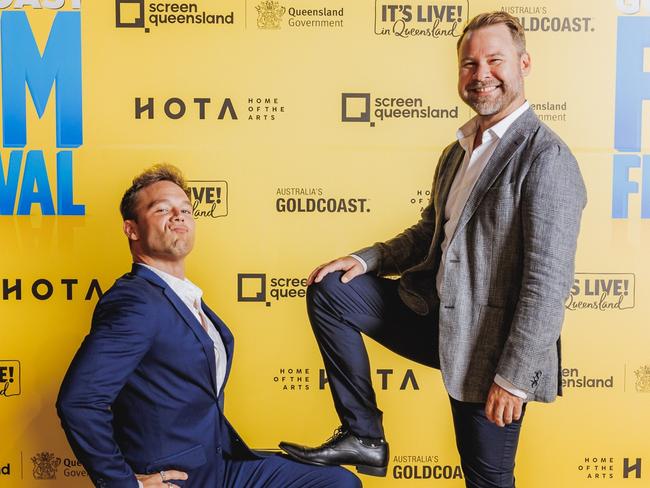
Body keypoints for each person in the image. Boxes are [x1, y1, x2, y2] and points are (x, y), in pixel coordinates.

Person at [279, 11, 586, 488]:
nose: (481, 74)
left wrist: (514, 377)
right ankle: (364, 436)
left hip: (491, 350)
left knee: (486, 479)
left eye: (494, 60)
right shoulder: (458, 152)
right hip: (434, 318)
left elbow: (547, 284)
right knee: (331, 291)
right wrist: (365, 259)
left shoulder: (546, 158)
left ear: (524, 64)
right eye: (469, 63)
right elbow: (429, 234)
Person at [56, 165, 360, 488]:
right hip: (178, 477)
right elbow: (78, 401)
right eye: (162, 209)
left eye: (185, 209)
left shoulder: (184, 295)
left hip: (218, 464)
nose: (178, 216)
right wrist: (126, 485)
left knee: (338, 483)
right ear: (131, 230)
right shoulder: (136, 301)